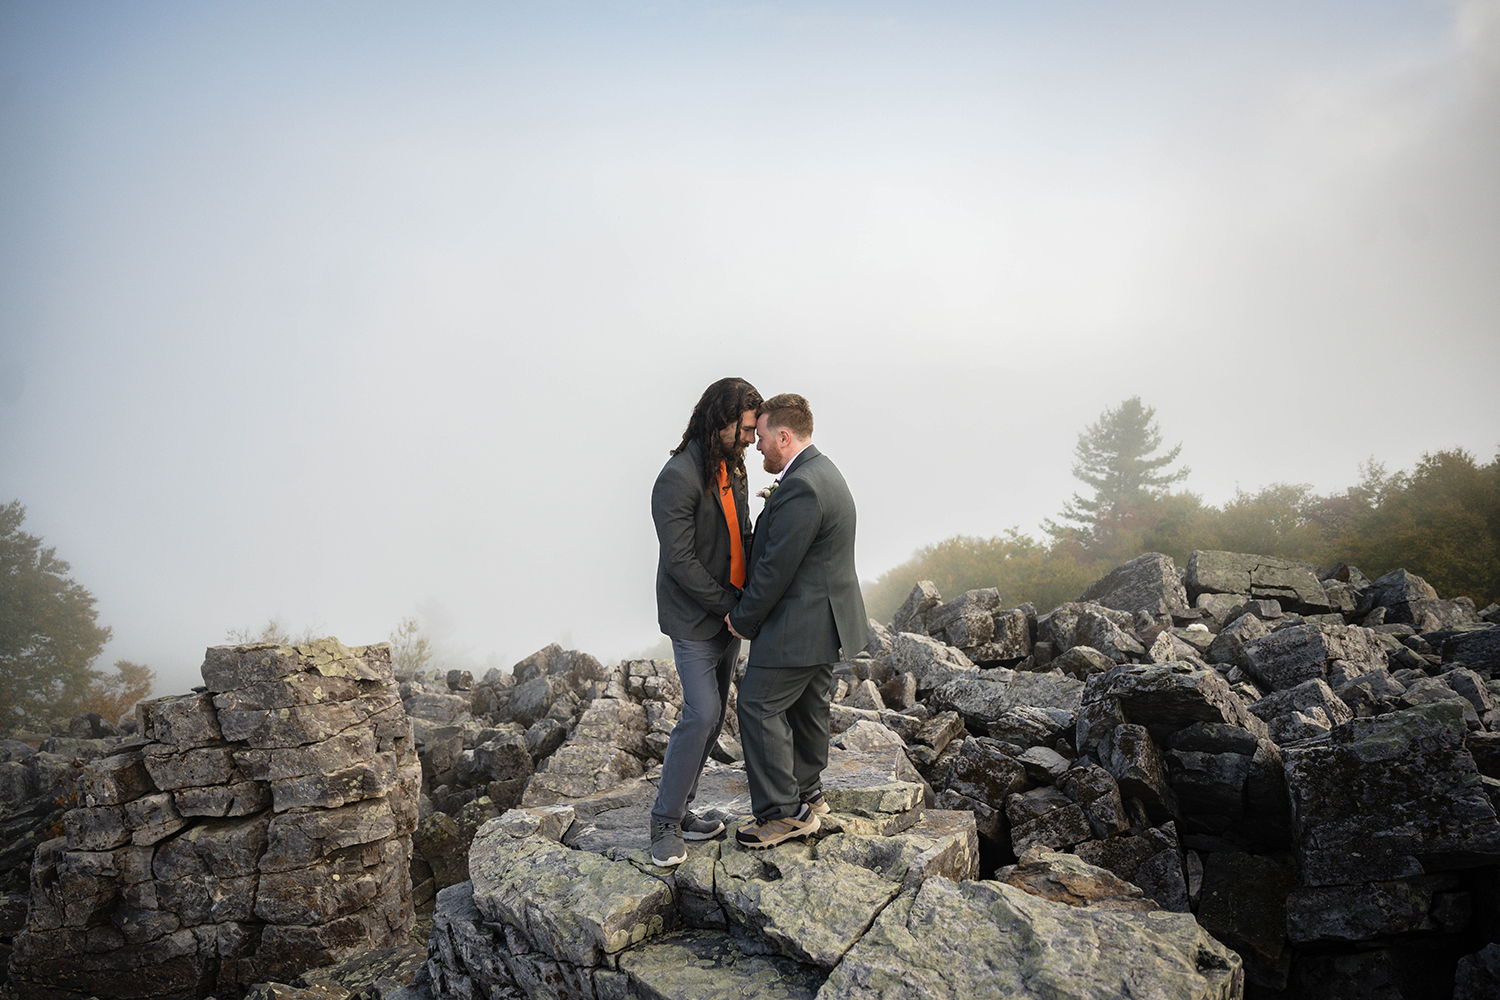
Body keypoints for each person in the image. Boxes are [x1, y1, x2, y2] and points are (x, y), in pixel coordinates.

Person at [726, 392, 869, 849]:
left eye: (763, 437)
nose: (756, 445)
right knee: (809, 706)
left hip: (799, 625)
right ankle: (809, 793)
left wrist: (742, 620)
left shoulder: (803, 486)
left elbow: (774, 569)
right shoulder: (823, 471)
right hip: (827, 622)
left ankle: (784, 814)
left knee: (756, 705)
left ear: (784, 436)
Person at [648, 376, 763, 867]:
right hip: (697, 617)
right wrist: (728, 606)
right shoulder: (677, 477)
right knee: (699, 713)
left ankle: (684, 808)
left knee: (715, 716)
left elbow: (742, 535)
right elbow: (680, 561)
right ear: (722, 420)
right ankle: (664, 823)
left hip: (729, 614)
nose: (753, 439)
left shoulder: (731, 468)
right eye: (748, 428)